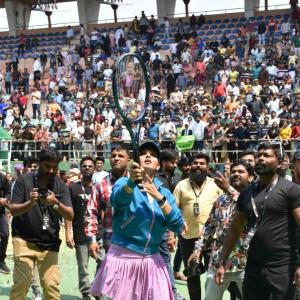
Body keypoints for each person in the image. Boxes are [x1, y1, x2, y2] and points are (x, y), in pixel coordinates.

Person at [90, 141, 183, 299]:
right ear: (136, 162)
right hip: (122, 259)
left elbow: (177, 225)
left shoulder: (165, 193)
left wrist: (160, 198)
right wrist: (131, 182)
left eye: (153, 155)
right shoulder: (122, 183)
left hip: (153, 260)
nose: (148, 155)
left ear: (158, 165)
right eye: (143, 153)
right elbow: (118, 200)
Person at [215, 142, 300, 300]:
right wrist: (222, 260)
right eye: (258, 155)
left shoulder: (291, 190)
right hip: (253, 266)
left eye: (266, 155)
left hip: (282, 268)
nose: (260, 158)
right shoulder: (247, 193)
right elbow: (234, 229)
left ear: (280, 162)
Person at [9, 147, 74, 299]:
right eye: (47, 166)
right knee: (21, 284)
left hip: (49, 242)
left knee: (51, 287)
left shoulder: (61, 185)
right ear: (39, 163)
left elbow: (70, 214)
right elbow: (13, 210)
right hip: (23, 239)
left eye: (55, 167)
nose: (51, 170)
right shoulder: (23, 181)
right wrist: (31, 203)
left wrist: (55, 202)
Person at [189, 160, 254, 300]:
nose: (236, 174)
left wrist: (229, 189)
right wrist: (197, 250)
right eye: (234, 171)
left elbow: (249, 210)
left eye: (241, 172)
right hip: (218, 262)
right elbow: (208, 227)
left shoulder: (255, 198)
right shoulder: (221, 200)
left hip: (245, 263)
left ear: (251, 177)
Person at [173, 152, 223, 300]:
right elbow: (173, 210)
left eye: (202, 163)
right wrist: (171, 233)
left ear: (208, 167)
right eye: (195, 163)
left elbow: (225, 207)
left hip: (212, 238)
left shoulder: (215, 184)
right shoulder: (181, 185)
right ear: (190, 166)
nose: (198, 166)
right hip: (188, 237)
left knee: (212, 273)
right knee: (192, 274)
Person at [86, 144, 130, 257]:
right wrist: (92, 240)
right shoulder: (100, 185)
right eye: (113, 155)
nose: (116, 158)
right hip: (111, 242)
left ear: (128, 160)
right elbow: (91, 213)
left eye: (121, 156)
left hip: (134, 242)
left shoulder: (137, 184)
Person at [65, 156, 96, 300]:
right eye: (84, 166)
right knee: (83, 267)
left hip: (97, 234)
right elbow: (68, 213)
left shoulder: (99, 187)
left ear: (95, 168)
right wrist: (68, 234)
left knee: (103, 263)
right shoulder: (73, 188)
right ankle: (86, 293)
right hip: (80, 232)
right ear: (80, 169)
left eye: (90, 166)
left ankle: (97, 288)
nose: (87, 168)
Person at [0, 171, 11, 274]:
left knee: (5, 234)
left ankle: (1, 260)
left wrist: (5, 199)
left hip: (1, 212)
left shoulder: (3, 178)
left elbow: (8, 192)